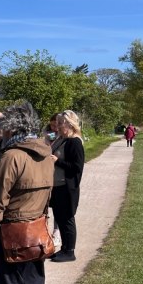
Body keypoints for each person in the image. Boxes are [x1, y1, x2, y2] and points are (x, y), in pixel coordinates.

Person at [0, 102, 54, 284]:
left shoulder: (11, 156)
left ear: (12, 128)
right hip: (36, 229)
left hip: (11, 232)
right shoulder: (45, 152)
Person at [49, 110, 85, 263]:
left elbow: (77, 167)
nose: (58, 125)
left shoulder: (74, 142)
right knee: (60, 218)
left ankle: (70, 251)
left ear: (70, 124)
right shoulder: (62, 139)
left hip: (67, 187)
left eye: (61, 122)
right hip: (57, 185)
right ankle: (64, 248)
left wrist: (57, 161)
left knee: (67, 219)